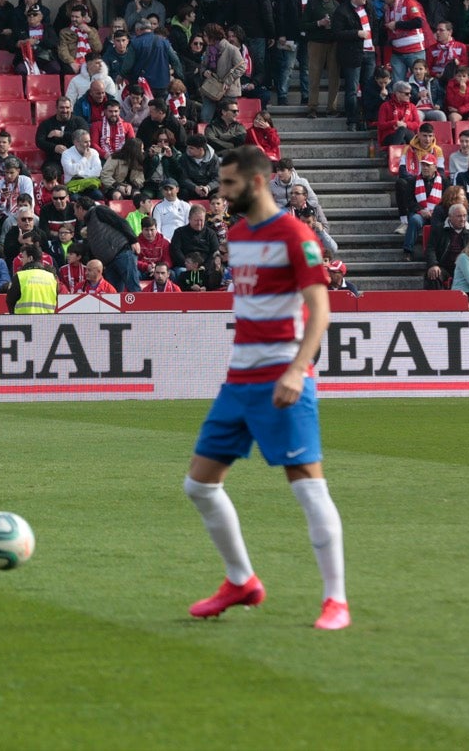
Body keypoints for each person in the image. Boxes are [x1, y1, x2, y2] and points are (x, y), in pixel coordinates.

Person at [185, 144, 348, 631]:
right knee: (198, 485)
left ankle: (335, 600)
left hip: (282, 374)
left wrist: (298, 369)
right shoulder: (236, 234)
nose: (221, 193)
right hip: (240, 379)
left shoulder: (295, 234)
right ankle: (241, 581)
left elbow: (320, 309)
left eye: (229, 184)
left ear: (256, 183)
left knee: (308, 487)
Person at [6, 244, 57, 314]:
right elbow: (55, 298)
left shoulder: (20, 276)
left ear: (30, 258)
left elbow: (10, 300)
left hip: (24, 320)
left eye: (23, 257)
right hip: (46, 320)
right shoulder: (51, 277)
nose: (21, 261)